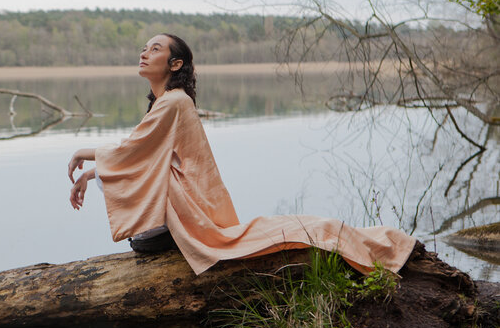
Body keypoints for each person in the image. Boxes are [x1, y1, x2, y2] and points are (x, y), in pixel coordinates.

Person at [66, 33, 416, 276]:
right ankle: (155, 234)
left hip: (188, 216)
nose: (143, 53)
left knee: (311, 229)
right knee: (121, 172)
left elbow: (132, 154)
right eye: (144, 48)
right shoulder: (167, 102)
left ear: (174, 65)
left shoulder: (174, 102)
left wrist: (84, 154)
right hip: (173, 216)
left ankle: (162, 236)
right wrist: (91, 173)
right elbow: (141, 158)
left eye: (154, 49)